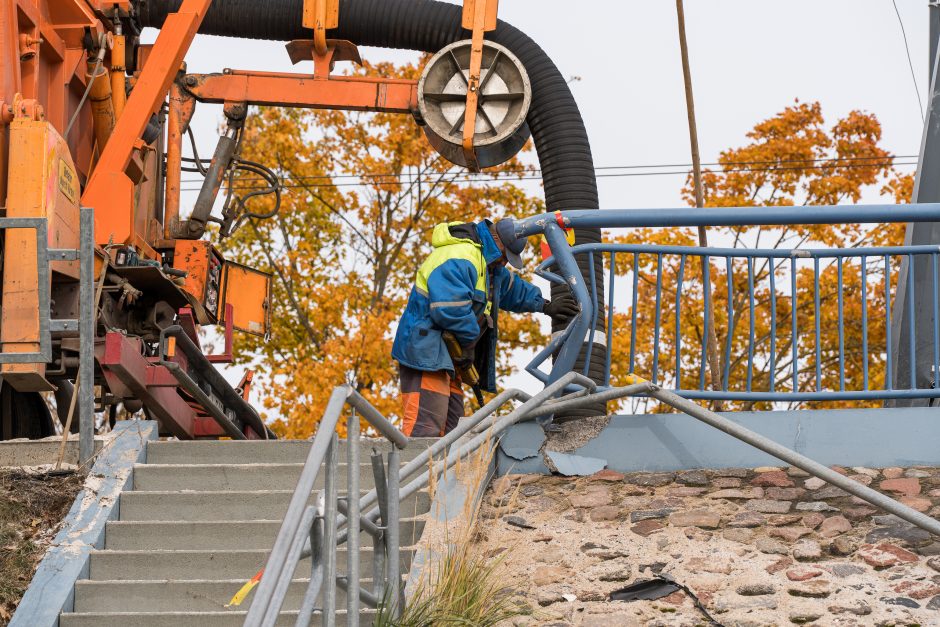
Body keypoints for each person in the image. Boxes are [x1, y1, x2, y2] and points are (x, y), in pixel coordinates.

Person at [392, 218, 579, 437]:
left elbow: (512, 288)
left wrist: (545, 305)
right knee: (425, 429)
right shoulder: (461, 255)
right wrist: (470, 342)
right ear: (497, 241)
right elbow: (450, 308)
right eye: (505, 257)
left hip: (447, 358)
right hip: (426, 352)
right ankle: (414, 471)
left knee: (453, 432)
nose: (505, 263)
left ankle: (442, 471)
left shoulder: (487, 265)